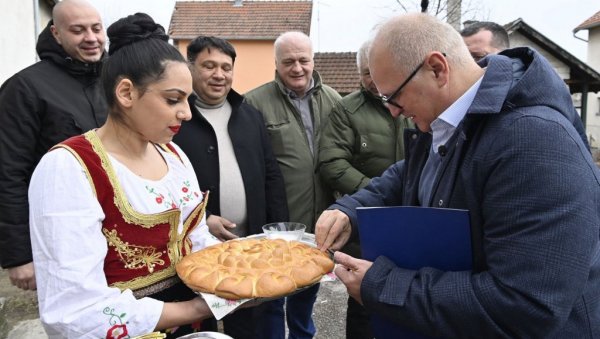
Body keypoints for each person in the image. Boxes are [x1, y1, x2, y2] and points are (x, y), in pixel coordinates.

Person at [315, 13, 600, 338]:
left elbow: (525, 305)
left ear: (437, 69)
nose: (391, 111)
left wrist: (381, 285)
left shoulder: (535, 142)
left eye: (393, 96)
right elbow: (406, 175)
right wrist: (350, 210)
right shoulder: (445, 119)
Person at [29, 13, 218, 338]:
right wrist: (197, 308)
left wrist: (238, 272)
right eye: (173, 99)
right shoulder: (69, 168)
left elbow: (195, 238)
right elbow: (72, 311)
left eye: (188, 100)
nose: (187, 113)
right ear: (126, 93)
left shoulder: (173, 155)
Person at [174, 35, 289, 339]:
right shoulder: (176, 120)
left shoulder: (249, 114)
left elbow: (271, 174)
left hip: (251, 245)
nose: (219, 74)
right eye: (209, 66)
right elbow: (167, 184)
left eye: (226, 67)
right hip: (198, 251)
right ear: (190, 68)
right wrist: (203, 217)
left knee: (252, 321)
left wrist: (279, 232)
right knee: (202, 323)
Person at [0, 0, 107, 291]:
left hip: (116, 236)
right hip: (60, 239)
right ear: (56, 34)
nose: (91, 38)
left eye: (96, 28)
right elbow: (9, 173)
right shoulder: (24, 89)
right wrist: (18, 256)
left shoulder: (114, 81)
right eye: (78, 30)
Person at [245, 31, 341, 338]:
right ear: (276, 64)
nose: (297, 68)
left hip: (319, 217)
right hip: (277, 223)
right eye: (289, 62)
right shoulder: (254, 102)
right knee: (272, 296)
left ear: (314, 60)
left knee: (307, 288)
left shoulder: (334, 101)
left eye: (303, 60)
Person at [317, 39, 412, 339]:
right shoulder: (347, 110)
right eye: (366, 72)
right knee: (363, 297)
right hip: (366, 218)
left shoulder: (411, 101)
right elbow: (332, 162)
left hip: (411, 216)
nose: (373, 79)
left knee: (407, 292)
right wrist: (375, 192)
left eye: (376, 71)